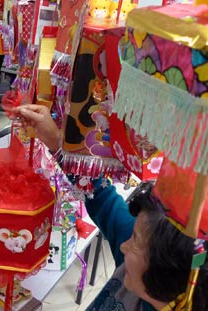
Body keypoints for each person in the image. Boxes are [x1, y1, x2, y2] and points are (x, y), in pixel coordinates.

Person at [14, 104, 208, 311]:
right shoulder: (138, 258)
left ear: (165, 272)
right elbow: (101, 197)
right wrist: (56, 143)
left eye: (135, 242)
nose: (124, 246)